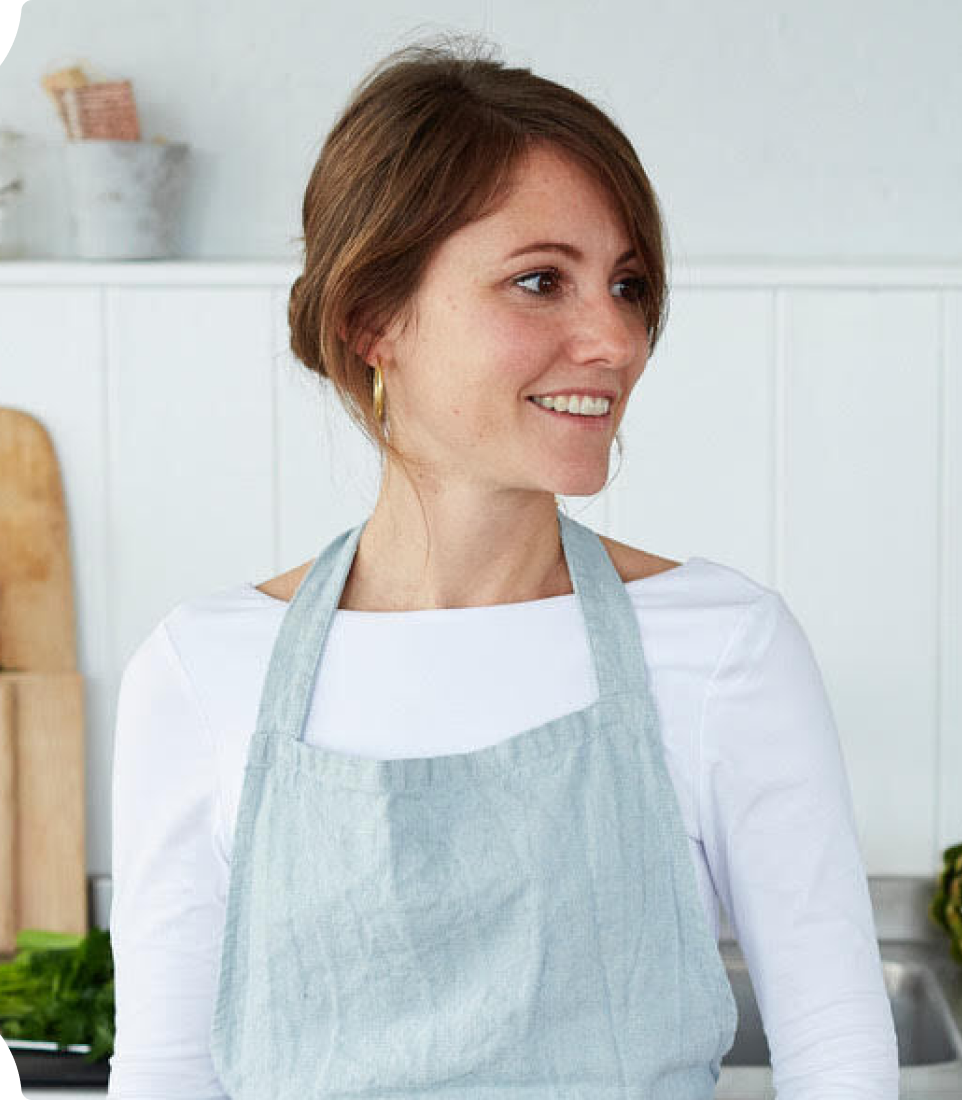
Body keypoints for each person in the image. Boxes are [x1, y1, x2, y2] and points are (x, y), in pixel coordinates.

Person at [107, 37, 899, 1100]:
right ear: (370, 319)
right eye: (540, 281)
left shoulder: (726, 648)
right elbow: (166, 1077)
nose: (614, 338)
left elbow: (837, 1059)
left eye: (626, 285)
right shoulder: (202, 672)